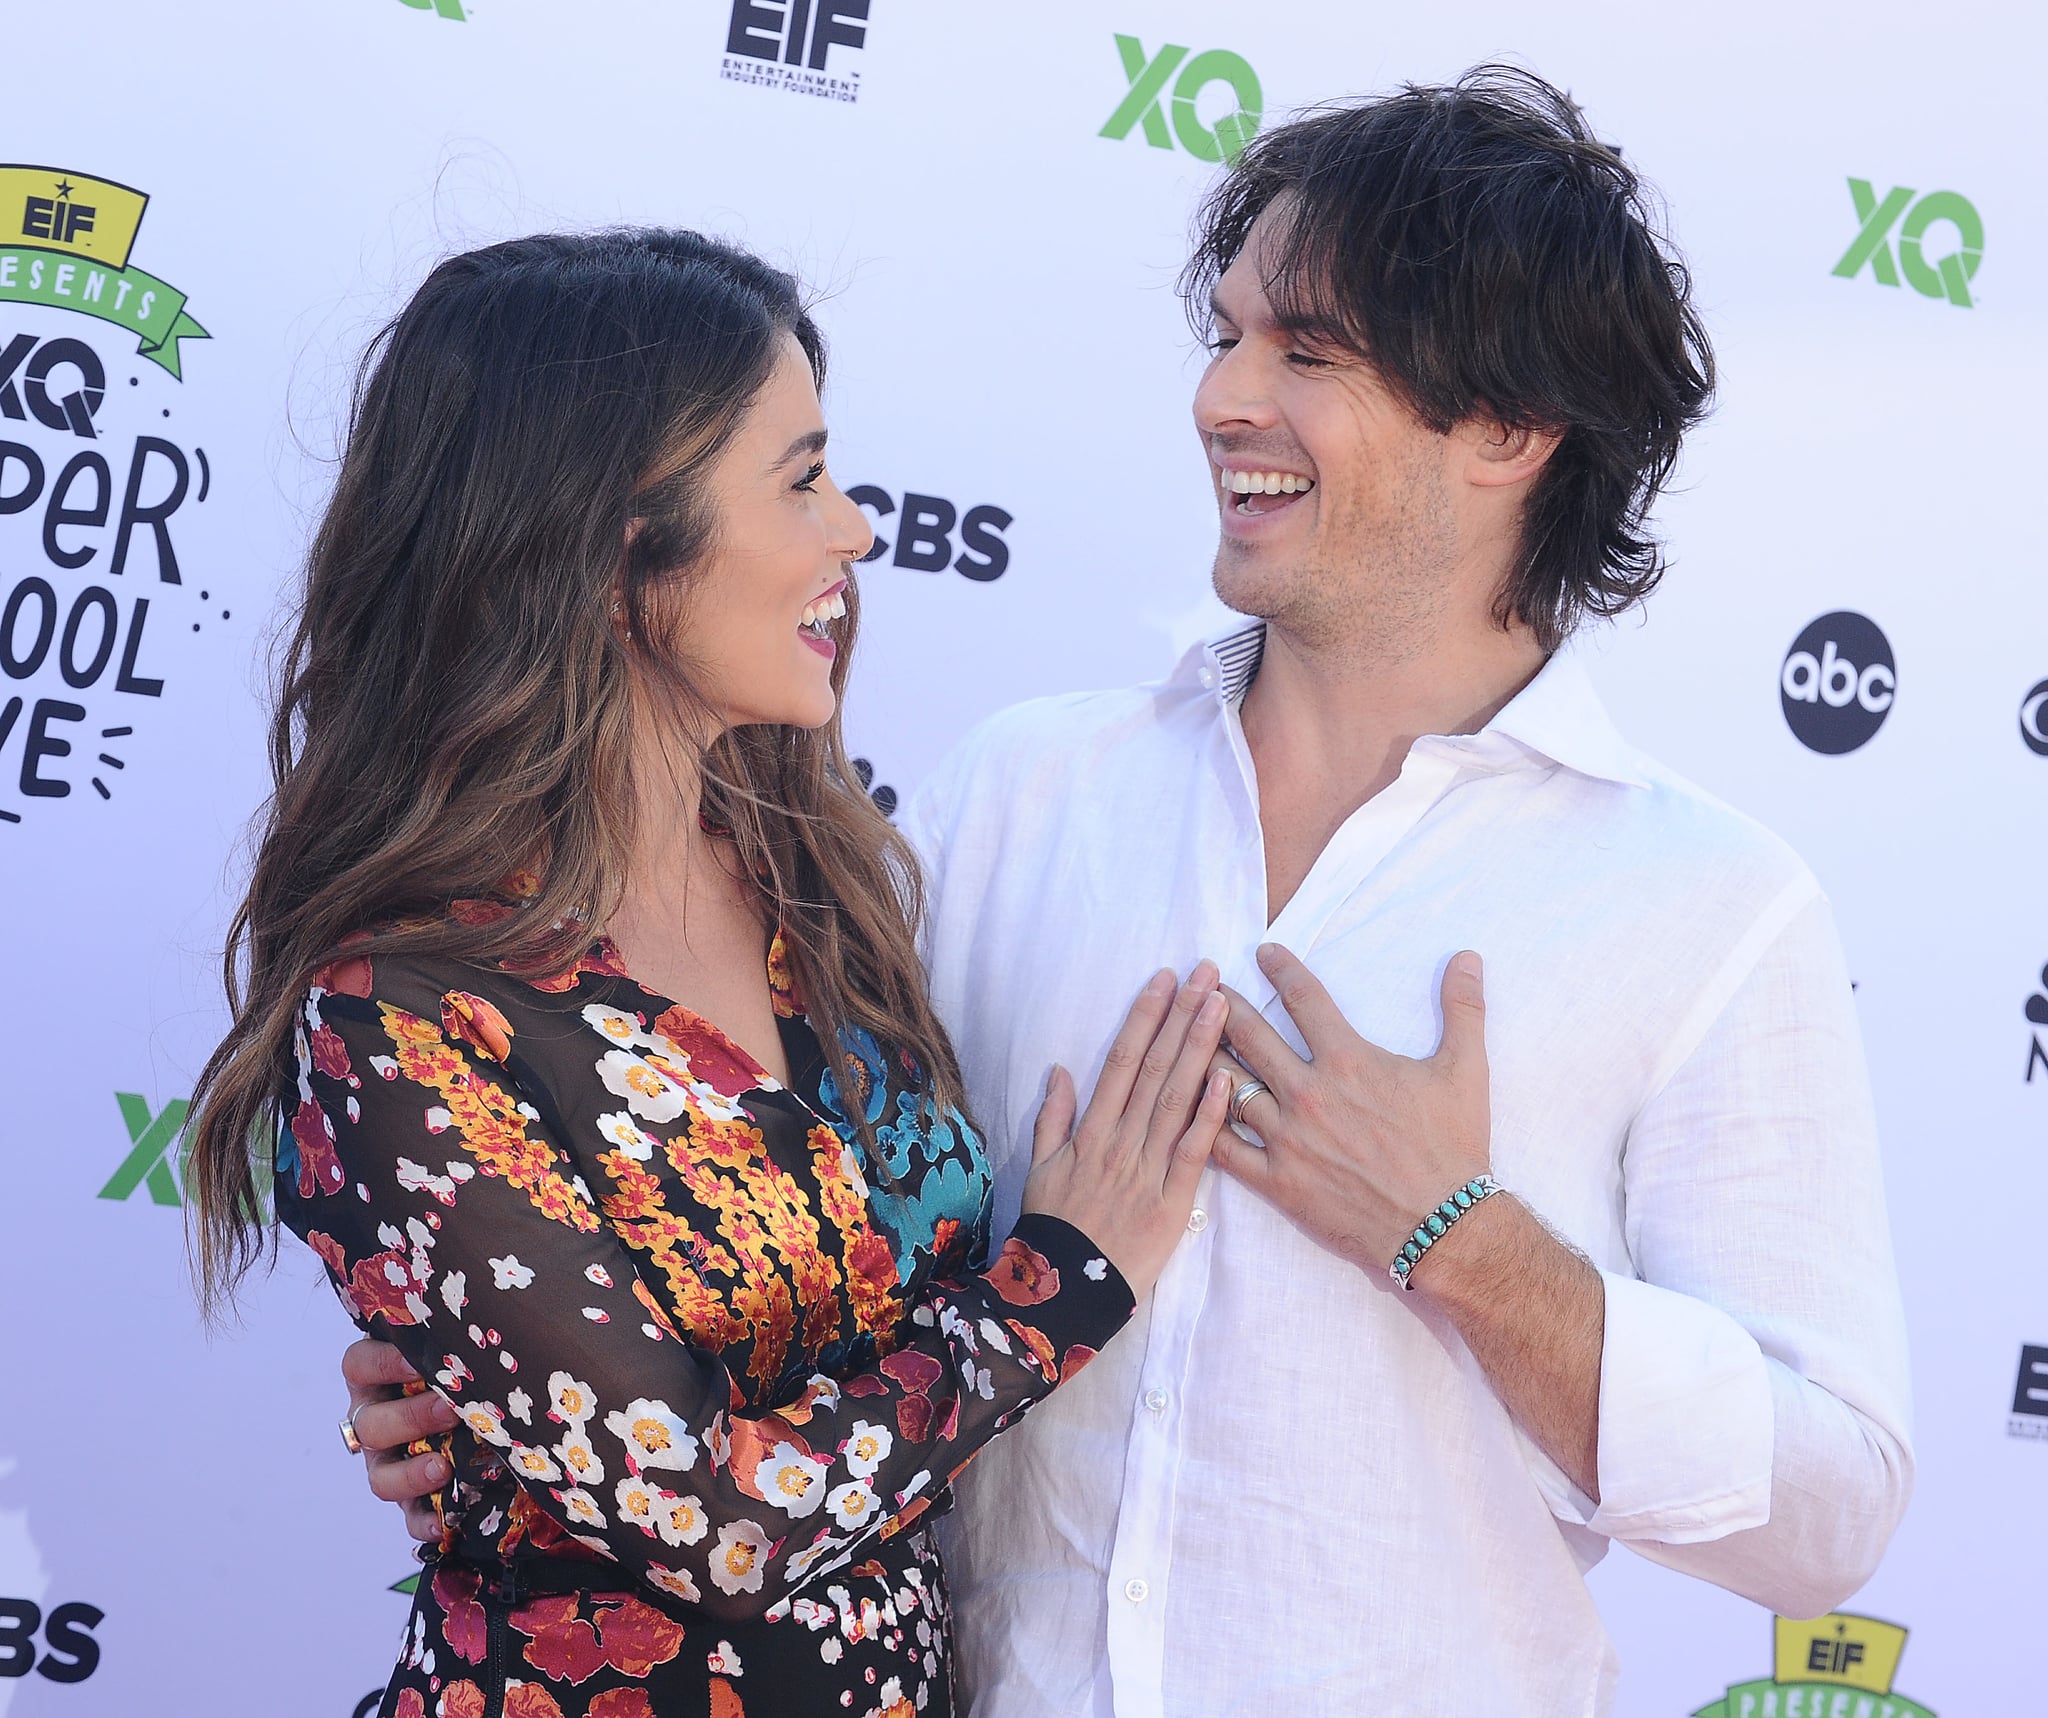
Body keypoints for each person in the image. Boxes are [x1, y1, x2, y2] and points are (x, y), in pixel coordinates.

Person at [349, 68, 1914, 1716]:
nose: (1223, 396)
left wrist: (1464, 1239)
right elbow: (765, 1233)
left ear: (1513, 430)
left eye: (1307, 352)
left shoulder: (1707, 905)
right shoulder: (1020, 796)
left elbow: (1833, 1513)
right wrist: (517, 1361)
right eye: (1225, 335)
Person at [185, 229, 1243, 1718]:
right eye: (801, 477)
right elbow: (711, 1519)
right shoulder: (405, 1012)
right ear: (617, 544)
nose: (857, 533)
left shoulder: (823, 876)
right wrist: (1065, 1279)